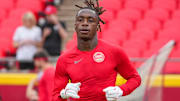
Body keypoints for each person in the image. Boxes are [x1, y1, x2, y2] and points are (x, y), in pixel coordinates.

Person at [53, 0, 141, 101]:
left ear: (98, 26)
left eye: (90, 20)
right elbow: (55, 96)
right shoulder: (64, 59)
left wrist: (121, 90)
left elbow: (135, 78)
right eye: (80, 20)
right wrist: (63, 94)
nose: (84, 23)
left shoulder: (114, 52)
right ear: (75, 26)